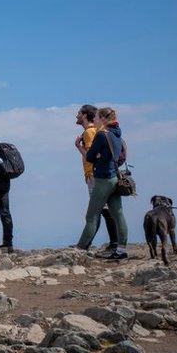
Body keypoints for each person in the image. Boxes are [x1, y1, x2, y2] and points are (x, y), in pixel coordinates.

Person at [76, 107, 129, 260]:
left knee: (91, 216)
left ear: (103, 119)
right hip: (114, 177)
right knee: (118, 214)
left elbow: (91, 157)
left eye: (98, 118)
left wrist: (83, 149)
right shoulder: (117, 133)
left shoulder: (101, 135)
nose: (96, 121)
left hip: (102, 178)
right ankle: (121, 249)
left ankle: (80, 249)